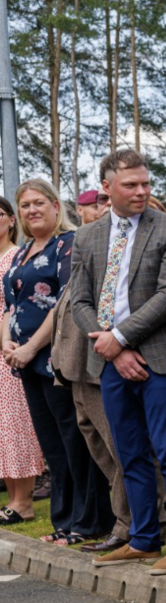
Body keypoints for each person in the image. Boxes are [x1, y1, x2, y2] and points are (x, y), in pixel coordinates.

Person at [70, 149, 166, 576]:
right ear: (107, 188)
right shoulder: (87, 236)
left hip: (160, 356)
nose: (142, 191)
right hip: (108, 361)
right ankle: (143, 539)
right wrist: (113, 349)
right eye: (132, 185)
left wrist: (121, 339)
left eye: (146, 183)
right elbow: (80, 299)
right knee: (130, 454)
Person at [3, 180, 110, 544]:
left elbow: (64, 302)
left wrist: (31, 347)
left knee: (74, 441)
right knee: (52, 445)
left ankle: (89, 521)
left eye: (38, 203)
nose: (32, 210)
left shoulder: (69, 243)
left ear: (54, 205)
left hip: (56, 359)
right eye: (25, 205)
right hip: (24, 364)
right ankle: (63, 521)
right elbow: (12, 305)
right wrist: (7, 344)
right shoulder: (21, 254)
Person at [0, 196, 44, 526]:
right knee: (3, 429)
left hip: (11, 348)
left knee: (18, 425)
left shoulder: (17, 256)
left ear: (11, 220)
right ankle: (12, 498)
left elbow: (14, 306)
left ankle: (23, 501)